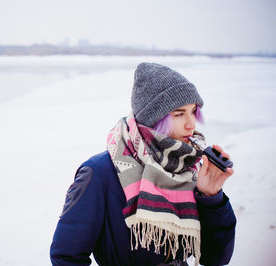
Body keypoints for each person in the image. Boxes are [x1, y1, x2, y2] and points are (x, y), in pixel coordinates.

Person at [50, 63, 236, 266]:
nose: (191, 124)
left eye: (193, 112)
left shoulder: (188, 170)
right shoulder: (100, 173)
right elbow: (66, 257)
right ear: (154, 118)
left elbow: (216, 258)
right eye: (179, 113)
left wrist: (211, 198)